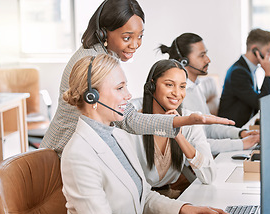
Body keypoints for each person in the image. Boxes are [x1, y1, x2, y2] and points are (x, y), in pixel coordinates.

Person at [61, 53, 232, 214]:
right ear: (92, 96)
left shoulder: (117, 135)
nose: (128, 95)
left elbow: (144, 195)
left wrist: (184, 209)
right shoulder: (78, 155)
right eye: (120, 88)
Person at [41, 0, 233, 157]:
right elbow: (129, 119)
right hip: (62, 153)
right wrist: (181, 121)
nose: (135, 44)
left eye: (140, 36)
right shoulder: (93, 63)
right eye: (127, 37)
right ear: (103, 32)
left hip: (82, 148)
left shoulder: (101, 54)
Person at [159, 33, 260, 155]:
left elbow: (208, 127)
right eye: (202, 55)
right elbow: (195, 144)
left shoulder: (195, 87)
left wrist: (240, 133)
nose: (208, 60)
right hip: (191, 167)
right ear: (184, 62)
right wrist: (241, 144)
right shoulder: (178, 96)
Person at [129, 59, 216, 199]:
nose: (177, 93)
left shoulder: (189, 119)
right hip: (140, 203)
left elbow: (209, 175)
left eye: (182, 86)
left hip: (171, 198)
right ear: (152, 86)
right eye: (169, 85)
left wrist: (179, 136)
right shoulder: (133, 124)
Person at [217, 28, 270, 128]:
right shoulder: (238, 72)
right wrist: (267, 74)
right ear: (255, 50)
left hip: (245, 124)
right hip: (233, 130)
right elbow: (260, 103)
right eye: (268, 50)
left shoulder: (248, 68)